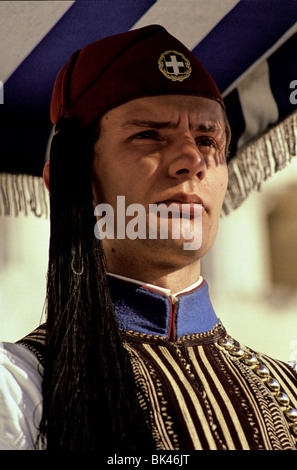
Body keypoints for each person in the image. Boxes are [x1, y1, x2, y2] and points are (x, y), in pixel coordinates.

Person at [1, 24, 297, 452]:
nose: (193, 160)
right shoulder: (23, 392)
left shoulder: (287, 389)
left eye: (208, 138)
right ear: (73, 181)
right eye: (148, 135)